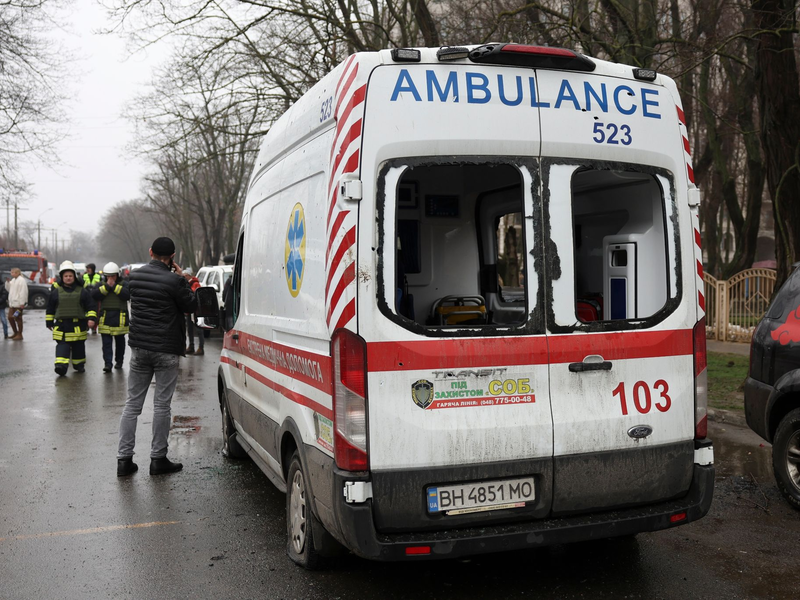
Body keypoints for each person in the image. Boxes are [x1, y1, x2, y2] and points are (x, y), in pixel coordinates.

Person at [117, 237, 201, 477]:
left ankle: (124, 460)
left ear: (150, 251)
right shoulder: (175, 280)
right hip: (166, 349)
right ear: (172, 257)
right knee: (162, 405)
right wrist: (186, 279)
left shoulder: (134, 276)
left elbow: (128, 295)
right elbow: (191, 306)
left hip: (140, 348)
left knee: (132, 404)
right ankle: (158, 459)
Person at [46, 261, 98, 376]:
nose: (68, 278)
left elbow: (91, 306)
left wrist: (91, 319)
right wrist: (49, 321)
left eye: (70, 276)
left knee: (78, 347)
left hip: (77, 326)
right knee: (62, 346)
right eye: (66, 276)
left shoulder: (83, 292)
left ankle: (79, 365)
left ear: (74, 276)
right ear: (62, 277)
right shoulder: (55, 292)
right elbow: (50, 308)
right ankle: (61, 366)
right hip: (61, 326)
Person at [92, 262, 130, 372]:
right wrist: (107, 287)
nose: (110, 278)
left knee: (120, 343)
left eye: (112, 276)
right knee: (106, 344)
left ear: (117, 275)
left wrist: (115, 287)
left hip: (120, 318)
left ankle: (119, 361)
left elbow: (127, 295)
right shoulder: (101, 285)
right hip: (105, 317)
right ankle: (108, 364)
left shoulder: (124, 284)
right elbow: (94, 295)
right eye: (108, 276)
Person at [183, 268, 205, 356]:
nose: (184, 277)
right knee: (190, 330)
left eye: (185, 276)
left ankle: (201, 347)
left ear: (188, 276)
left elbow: (196, 295)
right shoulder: (187, 284)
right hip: (189, 311)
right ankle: (191, 346)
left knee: (199, 329)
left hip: (196, 311)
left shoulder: (195, 284)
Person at [6, 267, 28, 341]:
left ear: (18, 273)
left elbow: (23, 292)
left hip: (18, 304)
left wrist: (22, 303)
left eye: (14, 272)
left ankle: (20, 334)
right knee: (10, 317)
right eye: (11, 272)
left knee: (18, 318)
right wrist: (8, 283)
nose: (12, 274)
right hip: (12, 303)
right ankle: (15, 332)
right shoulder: (13, 280)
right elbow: (9, 289)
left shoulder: (21, 280)